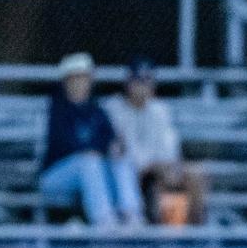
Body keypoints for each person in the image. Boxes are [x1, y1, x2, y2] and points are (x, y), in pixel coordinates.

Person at [40, 52, 142, 227]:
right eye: (76, 77)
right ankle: (104, 222)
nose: (81, 82)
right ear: (66, 80)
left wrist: (114, 148)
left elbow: (110, 141)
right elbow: (64, 145)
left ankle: (132, 216)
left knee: (121, 159)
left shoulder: (97, 110)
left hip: (94, 173)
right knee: (88, 161)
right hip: (56, 176)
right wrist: (96, 150)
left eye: (84, 77)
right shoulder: (57, 109)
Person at [101, 57, 207, 225]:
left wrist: (162, 166)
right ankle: (162, 233)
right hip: (128, 172)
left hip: (158, 168)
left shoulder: (160, 110)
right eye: (138, 81)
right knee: (155, 177)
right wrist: (153, 165)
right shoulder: (114, 109)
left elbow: (169, 148)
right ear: (128, 83)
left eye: (147, 81)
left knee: (195, 173)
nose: (142, 87)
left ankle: (197, 233)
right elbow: (121, 151)